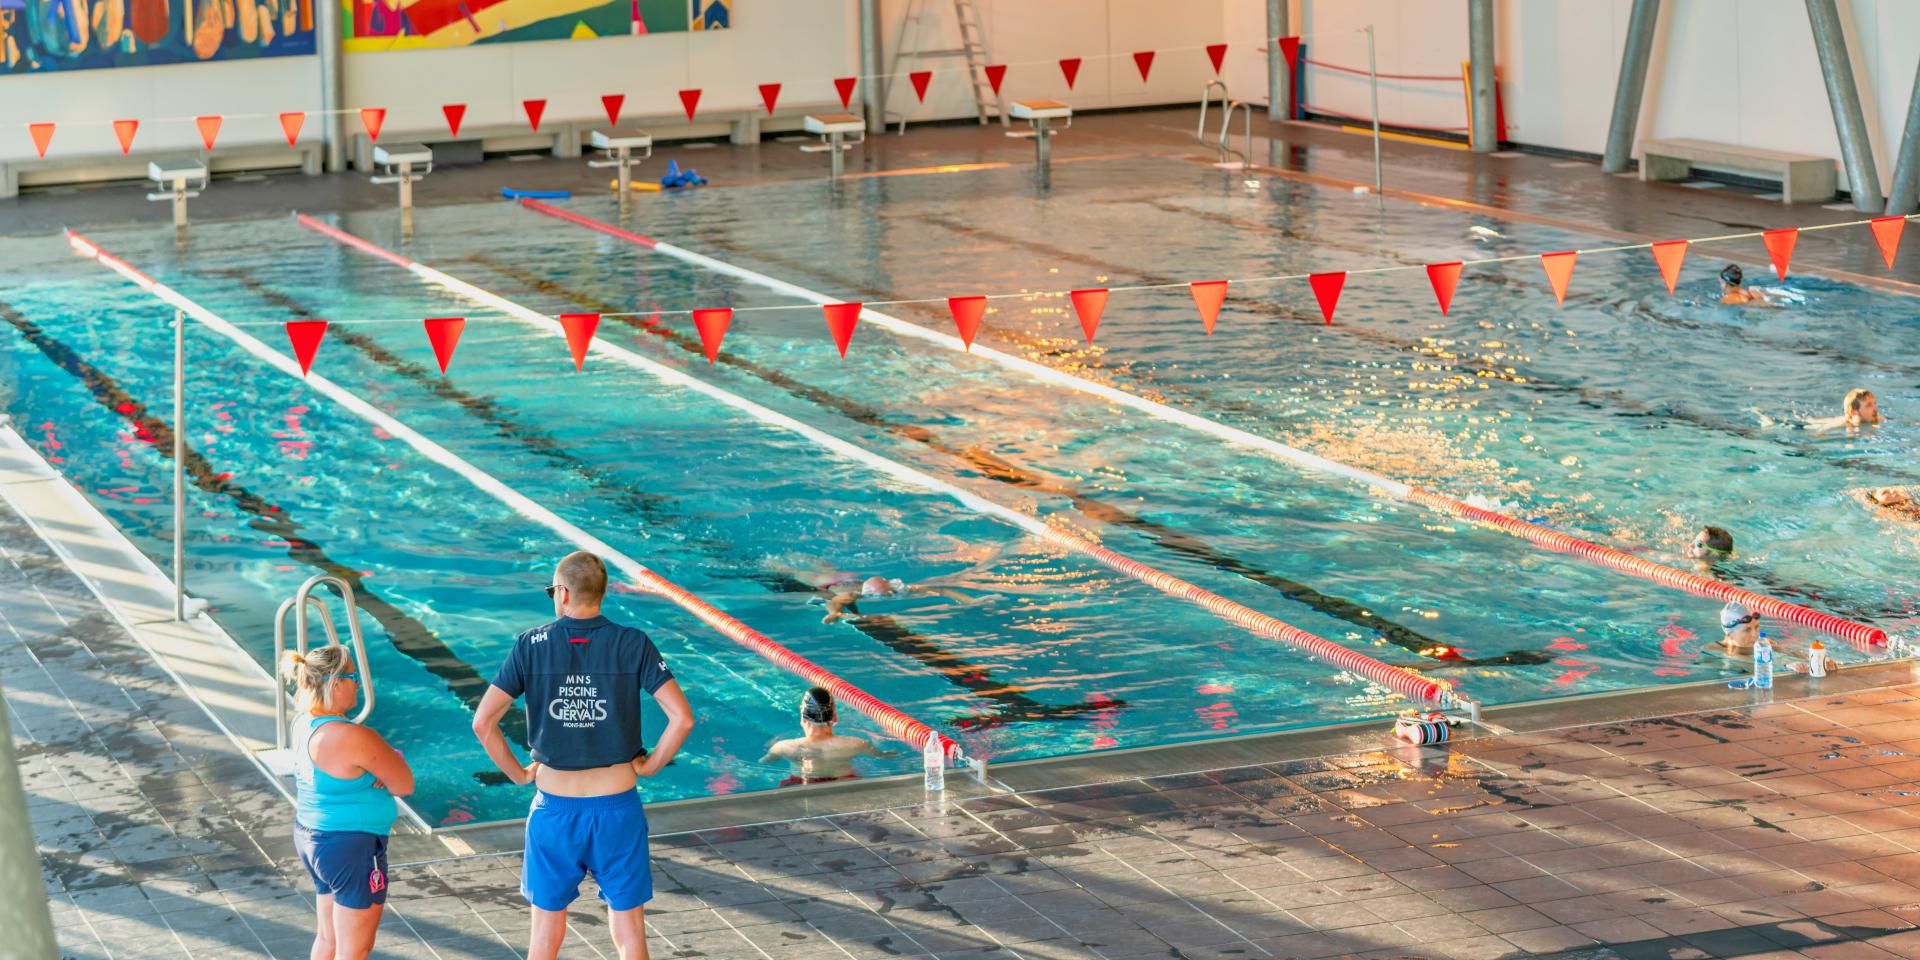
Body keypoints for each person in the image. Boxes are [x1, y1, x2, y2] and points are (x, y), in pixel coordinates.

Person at [472, 552, 695, 960]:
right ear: (602, 592)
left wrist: (520, 775)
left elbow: (483, 723)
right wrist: (651, 765)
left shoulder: (530, 645)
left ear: (562, 593)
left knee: (544, 937)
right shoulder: (633, 643)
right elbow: (682, 719)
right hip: (618, 809)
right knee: (629, 934)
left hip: (554, 811)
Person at [281, 646, 413, 960]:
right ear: (335, 683)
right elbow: (404, 784)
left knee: (328, 940)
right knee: (355, 950)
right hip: (351, 848)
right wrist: (388, 762)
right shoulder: (352, 736)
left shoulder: (303, 724)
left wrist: (380, 764)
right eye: (353, 677)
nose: (358, 685)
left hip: (313, 839)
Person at [760, 687, 894, 785]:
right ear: (835, 718)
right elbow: (884, 756)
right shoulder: (856, 744)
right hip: (844, 784)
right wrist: (889, 752)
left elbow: (765, 762)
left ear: (803, 719)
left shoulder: (784, 746)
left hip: (802, 786)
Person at [1808, 388, 1885, 431]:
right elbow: (1820, 432)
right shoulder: (1841, 424)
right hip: (1821, 424)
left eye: (1875, 403)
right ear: (1854, 412)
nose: (1875, 408)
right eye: (1869, 405)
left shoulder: (1878, 418)